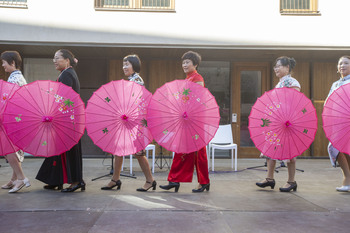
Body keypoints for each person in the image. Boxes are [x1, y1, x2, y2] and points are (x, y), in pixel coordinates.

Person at [101, 54, 156, 192]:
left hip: (135, 122)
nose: (124, 67)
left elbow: (135, 102)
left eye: (127, 64)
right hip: (127, 120)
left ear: (134, 66)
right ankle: (115, 179)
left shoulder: (136, 80)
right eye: (123, 64)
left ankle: (150, 180)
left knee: (138, 152)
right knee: (119, 149)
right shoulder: (131, 80)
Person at [159, 51, 210, 193]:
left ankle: (203, 182)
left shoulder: (197, 78)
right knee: (181, 149)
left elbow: (198, 100)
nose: (184, 65)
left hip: (195, 121)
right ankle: (174, 180)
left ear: (195, 64)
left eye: (187, 62)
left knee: (198, 153)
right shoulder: (187, 79)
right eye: (183, 62)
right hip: (186, 119)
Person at [36, 49, 85, 192]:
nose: (54, 61)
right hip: (66, 119)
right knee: (58, 150)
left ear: (67, 60)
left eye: (57, 58)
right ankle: (55, 180)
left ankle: (76, 181)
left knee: (69, 151)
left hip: (68, 121)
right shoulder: (66, 73)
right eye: (54, 58)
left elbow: (66, 99)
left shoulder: (67, 74)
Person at [256, 56, 300, 192]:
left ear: (287, 68)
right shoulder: (280, 83)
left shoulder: (292, 82)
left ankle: (291, 181)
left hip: (288, 122)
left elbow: (295, 102)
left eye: (279, 66)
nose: (276, 68)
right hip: (277, 121)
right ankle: (270, 178)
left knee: (290, 152)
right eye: (275, 66)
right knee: (271, 149)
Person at [0, 51, 30, 193]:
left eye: (4, 62)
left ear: (12, 63)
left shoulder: (14, 79)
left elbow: (8, 102)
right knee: (15, 150)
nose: (2, 65)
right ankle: (14, 179)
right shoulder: (18, 77)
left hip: (12, 119)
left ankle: (21, 178)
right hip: (18, 118)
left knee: (9, 150)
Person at [325, 55, 350, 192]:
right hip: (337, 121)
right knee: (337, 148)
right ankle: (347, 177)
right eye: (340, 63)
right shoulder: (335, 84)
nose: (342, 66)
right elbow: (329, 100)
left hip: (349, 120)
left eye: (346, 63)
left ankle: (347, 180)